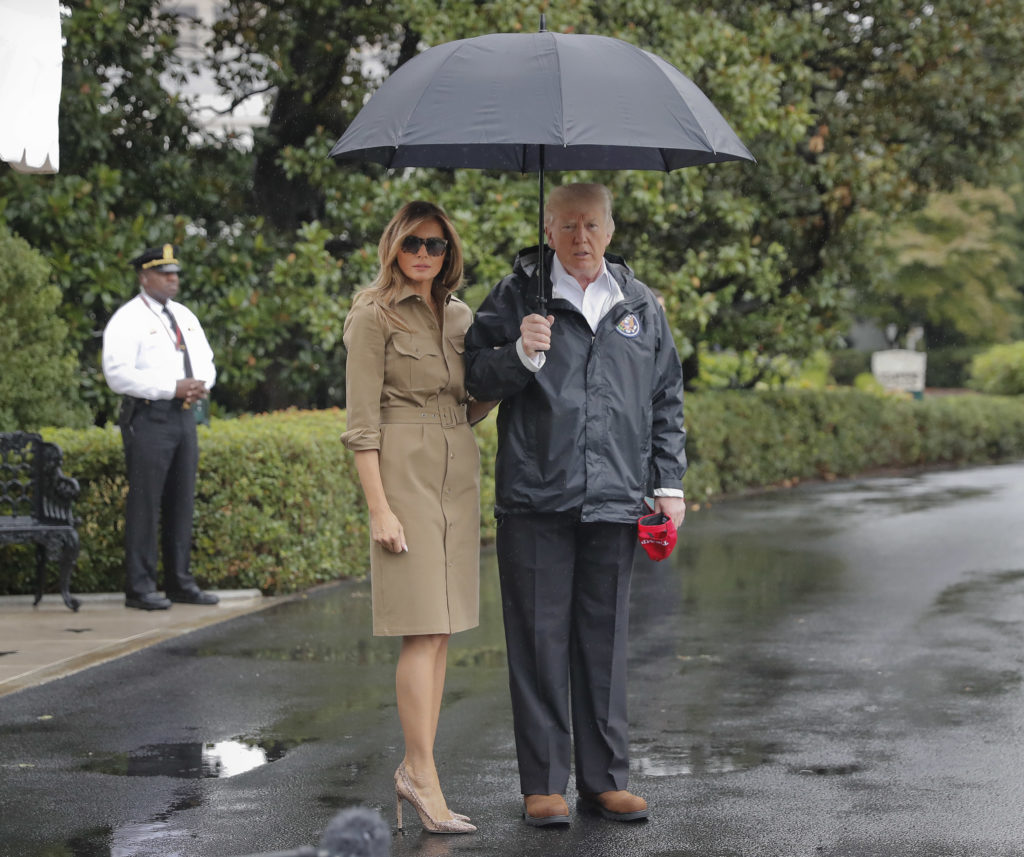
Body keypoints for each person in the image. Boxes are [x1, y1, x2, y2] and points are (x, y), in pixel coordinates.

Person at [464, 183, 687, 826]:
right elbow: (472, 377)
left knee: (604, 642)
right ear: (548, 228)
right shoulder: (517, 297)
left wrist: (667, 485)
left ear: (610, 230)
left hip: (617, 499)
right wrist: (519, 354)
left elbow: (665, 396)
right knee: (537, 644)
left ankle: (604, 779)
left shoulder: (639, 304)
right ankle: (543, 785)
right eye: (567, 226)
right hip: (536, 498)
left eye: (591, 224)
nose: (580, 237)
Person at [341, 201, 493, 835]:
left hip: (457, 466)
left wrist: (525, 359)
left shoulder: (460, 315)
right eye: (413, 244)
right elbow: (360, 424)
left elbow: (474, 402)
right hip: (403, 470)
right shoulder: (370, 315)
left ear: (448, 251)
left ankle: (418, 769)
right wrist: (379, 507)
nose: (424, 255)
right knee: (419, 627)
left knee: (445, 627)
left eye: (435, 245)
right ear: (394, 247)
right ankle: (422, 775)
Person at [102, 244, 218, 611]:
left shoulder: (183, 315)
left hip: (184, 416)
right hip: (150, 417)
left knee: (181, 501)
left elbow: (206, 359)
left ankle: (179, 583)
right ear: (143, 277)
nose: (173, 279)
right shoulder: (128, 318)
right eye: (164, 273)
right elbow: (117, 374)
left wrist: (202, 384)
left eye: (175, 273)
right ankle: (140, 587)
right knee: (146, 503)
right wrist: (171, 388)